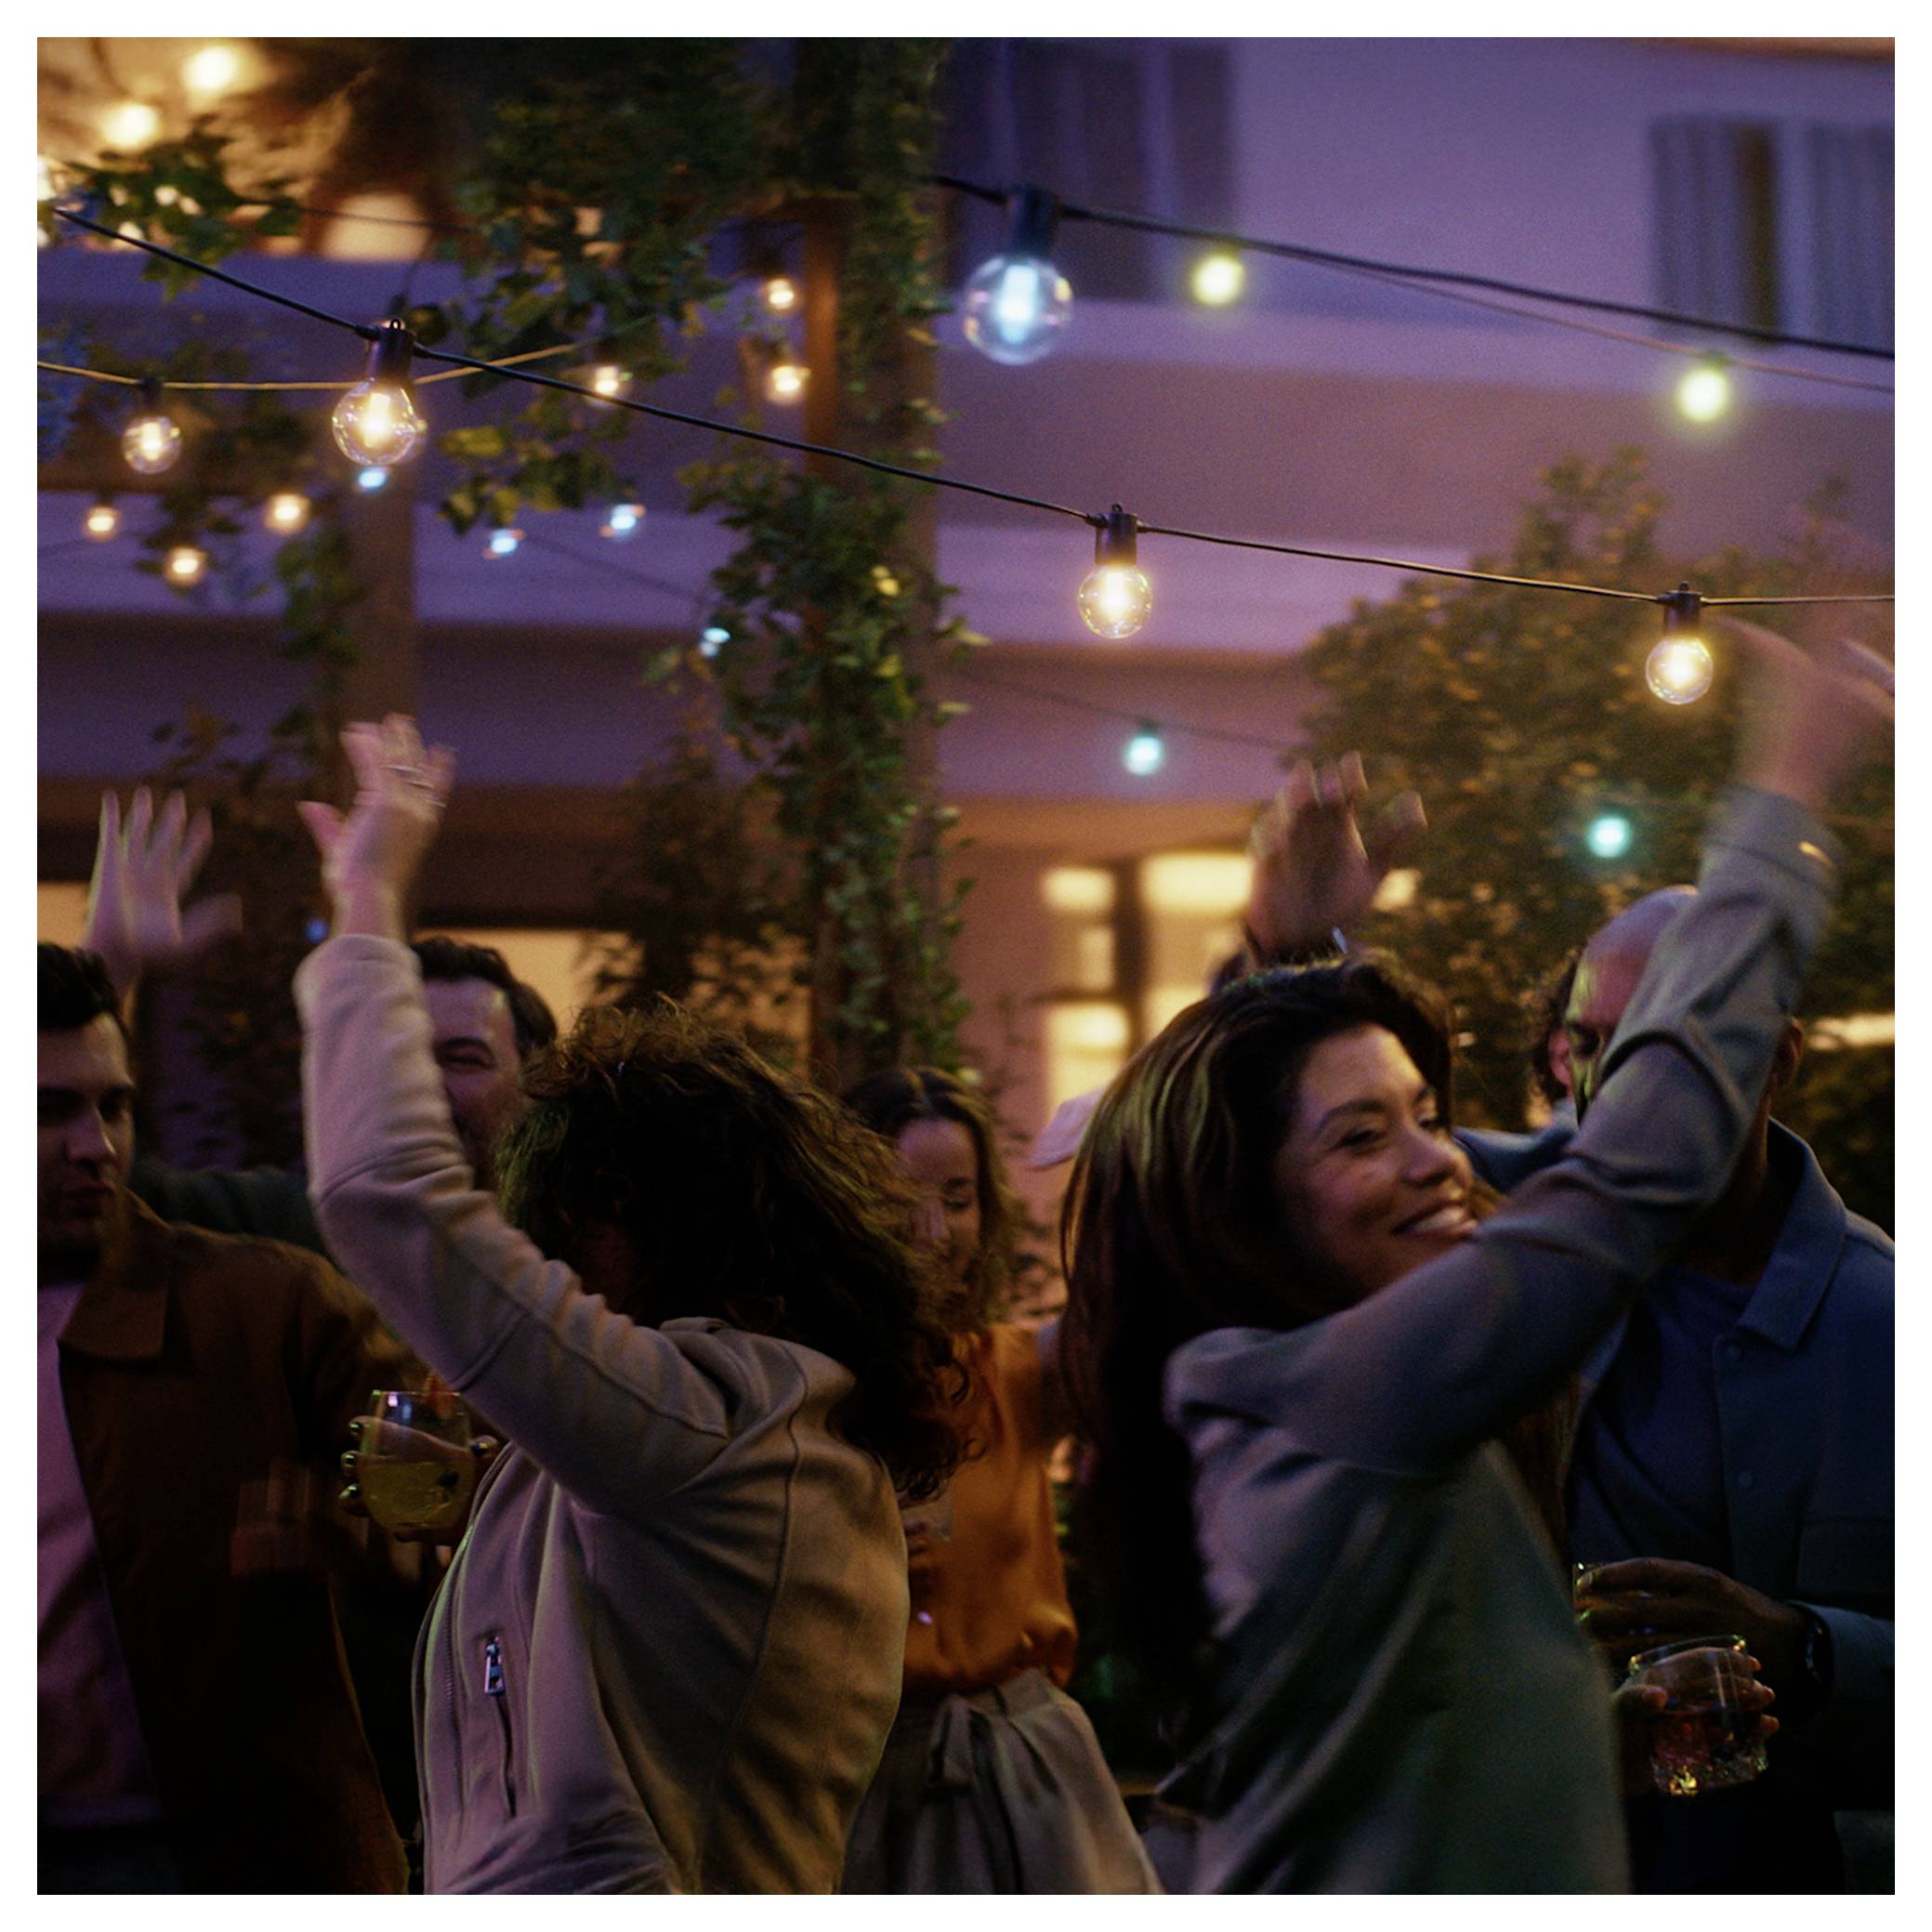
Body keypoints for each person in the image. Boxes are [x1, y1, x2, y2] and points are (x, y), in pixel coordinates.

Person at [1056, 618, 1888, 1891]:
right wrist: (1781, 800)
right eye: (1362, 1136)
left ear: (1769, 1061)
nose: (1442, 1161)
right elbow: (1625, 1175)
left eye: (1429, 1117)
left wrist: (1743, 1667)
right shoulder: (1325, 1386)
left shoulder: (1881, 1313)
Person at [293, 716, 966, 1894]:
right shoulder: (692, 1429)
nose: (542, 1258)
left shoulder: (719, 1423)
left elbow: (384, 1194)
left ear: (626, 1215)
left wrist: (367, 907)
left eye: (557, 1219)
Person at [1470, 879, 1894, 1893]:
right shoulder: (1522, 1223)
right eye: (1587, 1043)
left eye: (1664, 1048)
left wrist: (1805, 1646)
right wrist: (1295, 942)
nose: (1614, 1087)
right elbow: (1290, 1158)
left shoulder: (1885, 1326)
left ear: (1778, 1060)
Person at [37, 944, 413, 1894]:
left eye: (114, 1105)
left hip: (239, 1862)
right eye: (51, 1110)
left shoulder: (263, 1302)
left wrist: (354, 1518)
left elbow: (446, 1479)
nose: (99, 1146)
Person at [838, 1068, 1158, 1894]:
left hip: (1024, 1782)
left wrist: (1129, 1147)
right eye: (901, 1197)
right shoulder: (797, 1396)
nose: (935, 1230)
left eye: (959, 1195)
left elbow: (1142, 1304)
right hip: (855, 1788)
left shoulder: (1011, 1373)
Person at [82, 786, 557, 1252]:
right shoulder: (300, 1228)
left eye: (464, 1059)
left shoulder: (577, 1252)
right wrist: (107, 971)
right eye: (402, 1056)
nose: (423, 1084)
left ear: (534, 1089)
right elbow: (98, 1196)